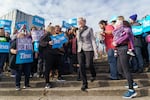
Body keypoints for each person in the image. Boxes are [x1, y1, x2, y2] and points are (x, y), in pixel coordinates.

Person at [112, 20, 137, 99]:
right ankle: (132, 83)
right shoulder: (116, 32)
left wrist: (116, 42)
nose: (114, 26)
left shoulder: (126, 30)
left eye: (116, 24)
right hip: (119, 50)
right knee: (120, 69)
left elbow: (126, 36)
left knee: (126, 70)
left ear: (120, 25)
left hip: (124, 49)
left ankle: (131, 90)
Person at [77, 17, 98, 91]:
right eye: (78, 21)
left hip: (89, 48)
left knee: (89, 64)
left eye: (81, 21)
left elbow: (93, 40)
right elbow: (78, 41)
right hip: (80, 50)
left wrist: (95, 51)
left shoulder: (89, 29)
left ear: (84, 22)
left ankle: (93, 74)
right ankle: (84, 84)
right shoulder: (77, 30)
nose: (79, 22)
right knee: (81, 66)